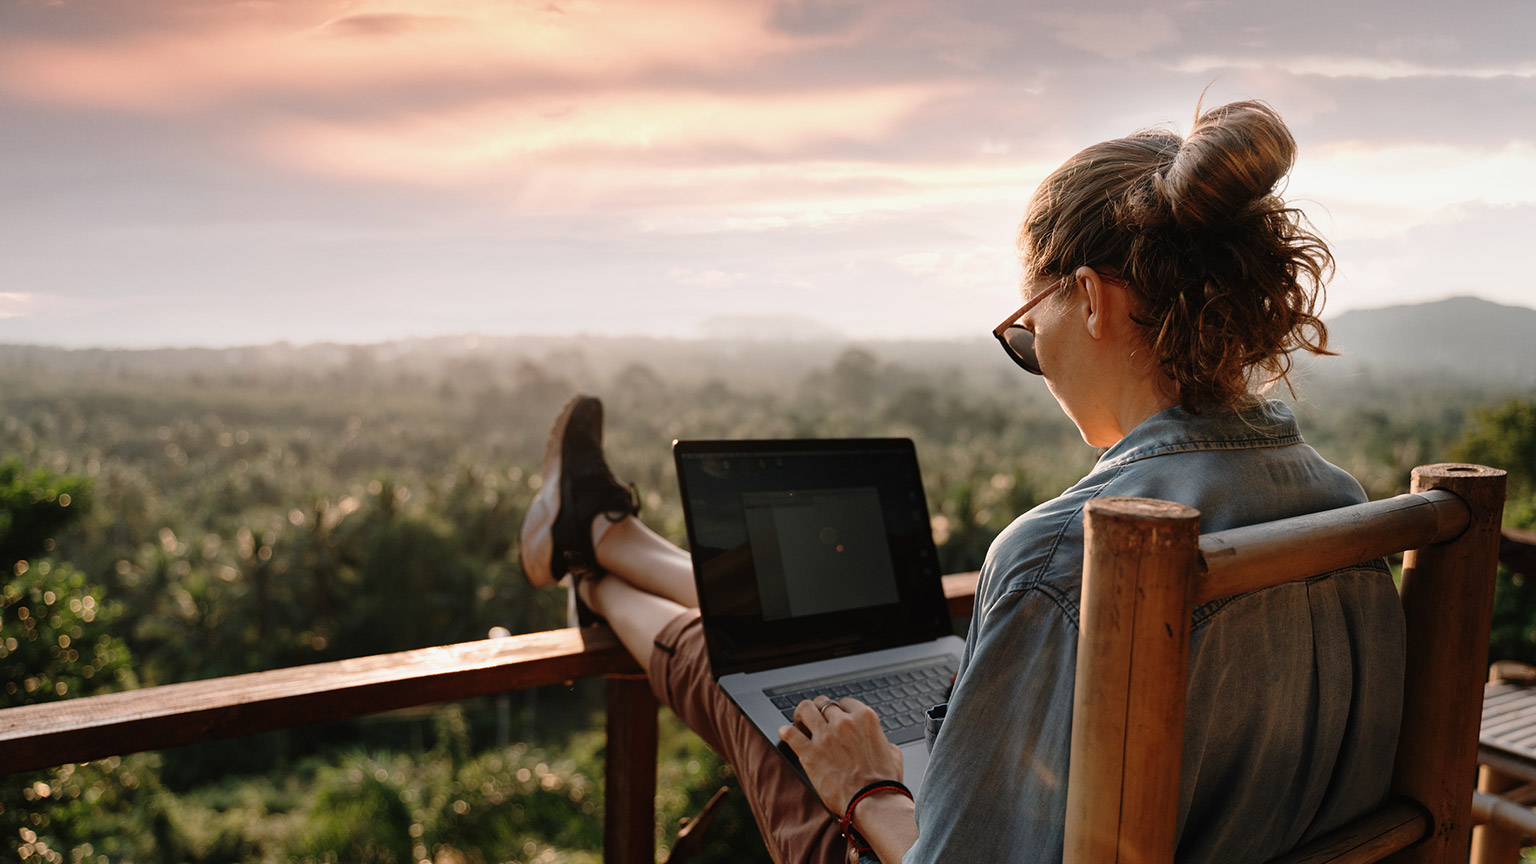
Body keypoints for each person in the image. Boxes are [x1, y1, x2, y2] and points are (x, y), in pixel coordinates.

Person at [518, 100, 1405, 863]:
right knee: (790, 650)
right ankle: (601, 539)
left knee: (741, 675)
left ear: (1091, 300)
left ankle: (594, 563)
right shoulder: (1345, 509)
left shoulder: (1067, 556)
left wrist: (866, 787)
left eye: (1026, 331)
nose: (1036, 360)